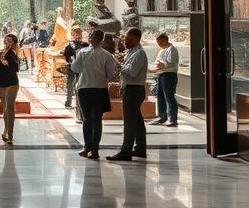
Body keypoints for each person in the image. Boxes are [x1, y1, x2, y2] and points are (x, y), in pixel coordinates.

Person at [71, 29, 117, 160]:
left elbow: (75, 69)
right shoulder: (107, 55)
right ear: (101, 40)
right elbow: (111, 74)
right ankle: (95, 149)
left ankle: (87, 147)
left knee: (87, 119)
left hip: (84, 88)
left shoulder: (81, 53)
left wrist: (74, 60)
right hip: (99, 89)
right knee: (97, 120)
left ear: (90, 38)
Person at [107, 27, 149, 162]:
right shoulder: (132, 52)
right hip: (130, 88)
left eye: (128, 39)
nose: (125, 41)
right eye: (125, 38)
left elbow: (132, 72)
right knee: (137, 120)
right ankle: (140, 148)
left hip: (134, 90)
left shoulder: (140, 54)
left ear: (136, 39)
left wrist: (119, 65)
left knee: (129, 122)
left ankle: (126, 151)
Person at [0, 33, 20, 144]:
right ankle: (5, 130)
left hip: (12, 83)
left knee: (9, 109)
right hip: (1, 83)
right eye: (6, 40)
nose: (7, 42)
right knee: (5, 109)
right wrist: (0, 61)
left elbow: (16, 69)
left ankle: (10, 135)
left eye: (10, 41)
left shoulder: (13, 54)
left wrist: (8, 62)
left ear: (13, 44)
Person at [149, 32, 179, 127]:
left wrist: (160, 66)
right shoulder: (162, 50)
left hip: (169, 75)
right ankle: (162, 117)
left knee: (169, 97)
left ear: (165, 40)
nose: (159, 44)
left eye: (160, 42)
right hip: (161, 75)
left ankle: (173, 119)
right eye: (158, 42)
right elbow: (159, 63)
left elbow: (170, 64)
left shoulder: (172, 49)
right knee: (160, 96)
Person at [62, 25, 89, 109]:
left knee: (79, 86)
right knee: (70, 85)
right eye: (75, 32)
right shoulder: (69, 46)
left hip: (81, 69)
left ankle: (79, 103)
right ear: (72, 33)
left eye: (79, 32)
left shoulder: (85, 45)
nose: (77, 34)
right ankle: (68, 102)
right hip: (72, 67)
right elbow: (67, 57)